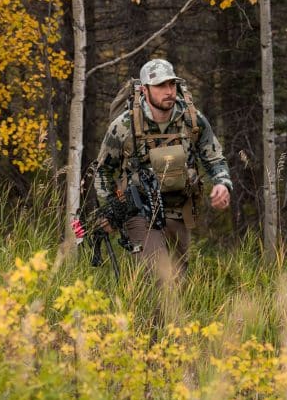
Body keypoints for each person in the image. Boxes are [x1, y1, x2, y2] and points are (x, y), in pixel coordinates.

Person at [94, 58, 232, 284]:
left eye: (171, 85)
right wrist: (112, 208)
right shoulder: (124, 125)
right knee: (159, 274)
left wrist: (222, 183)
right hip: (140, 212)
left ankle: (160, 319)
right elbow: (103, 172)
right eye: (160, 86)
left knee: (178, 280)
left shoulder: (192, 120)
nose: (168, 91)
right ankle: (153, 317)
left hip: (179, 208)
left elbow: (214, 157)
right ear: (145, 90)